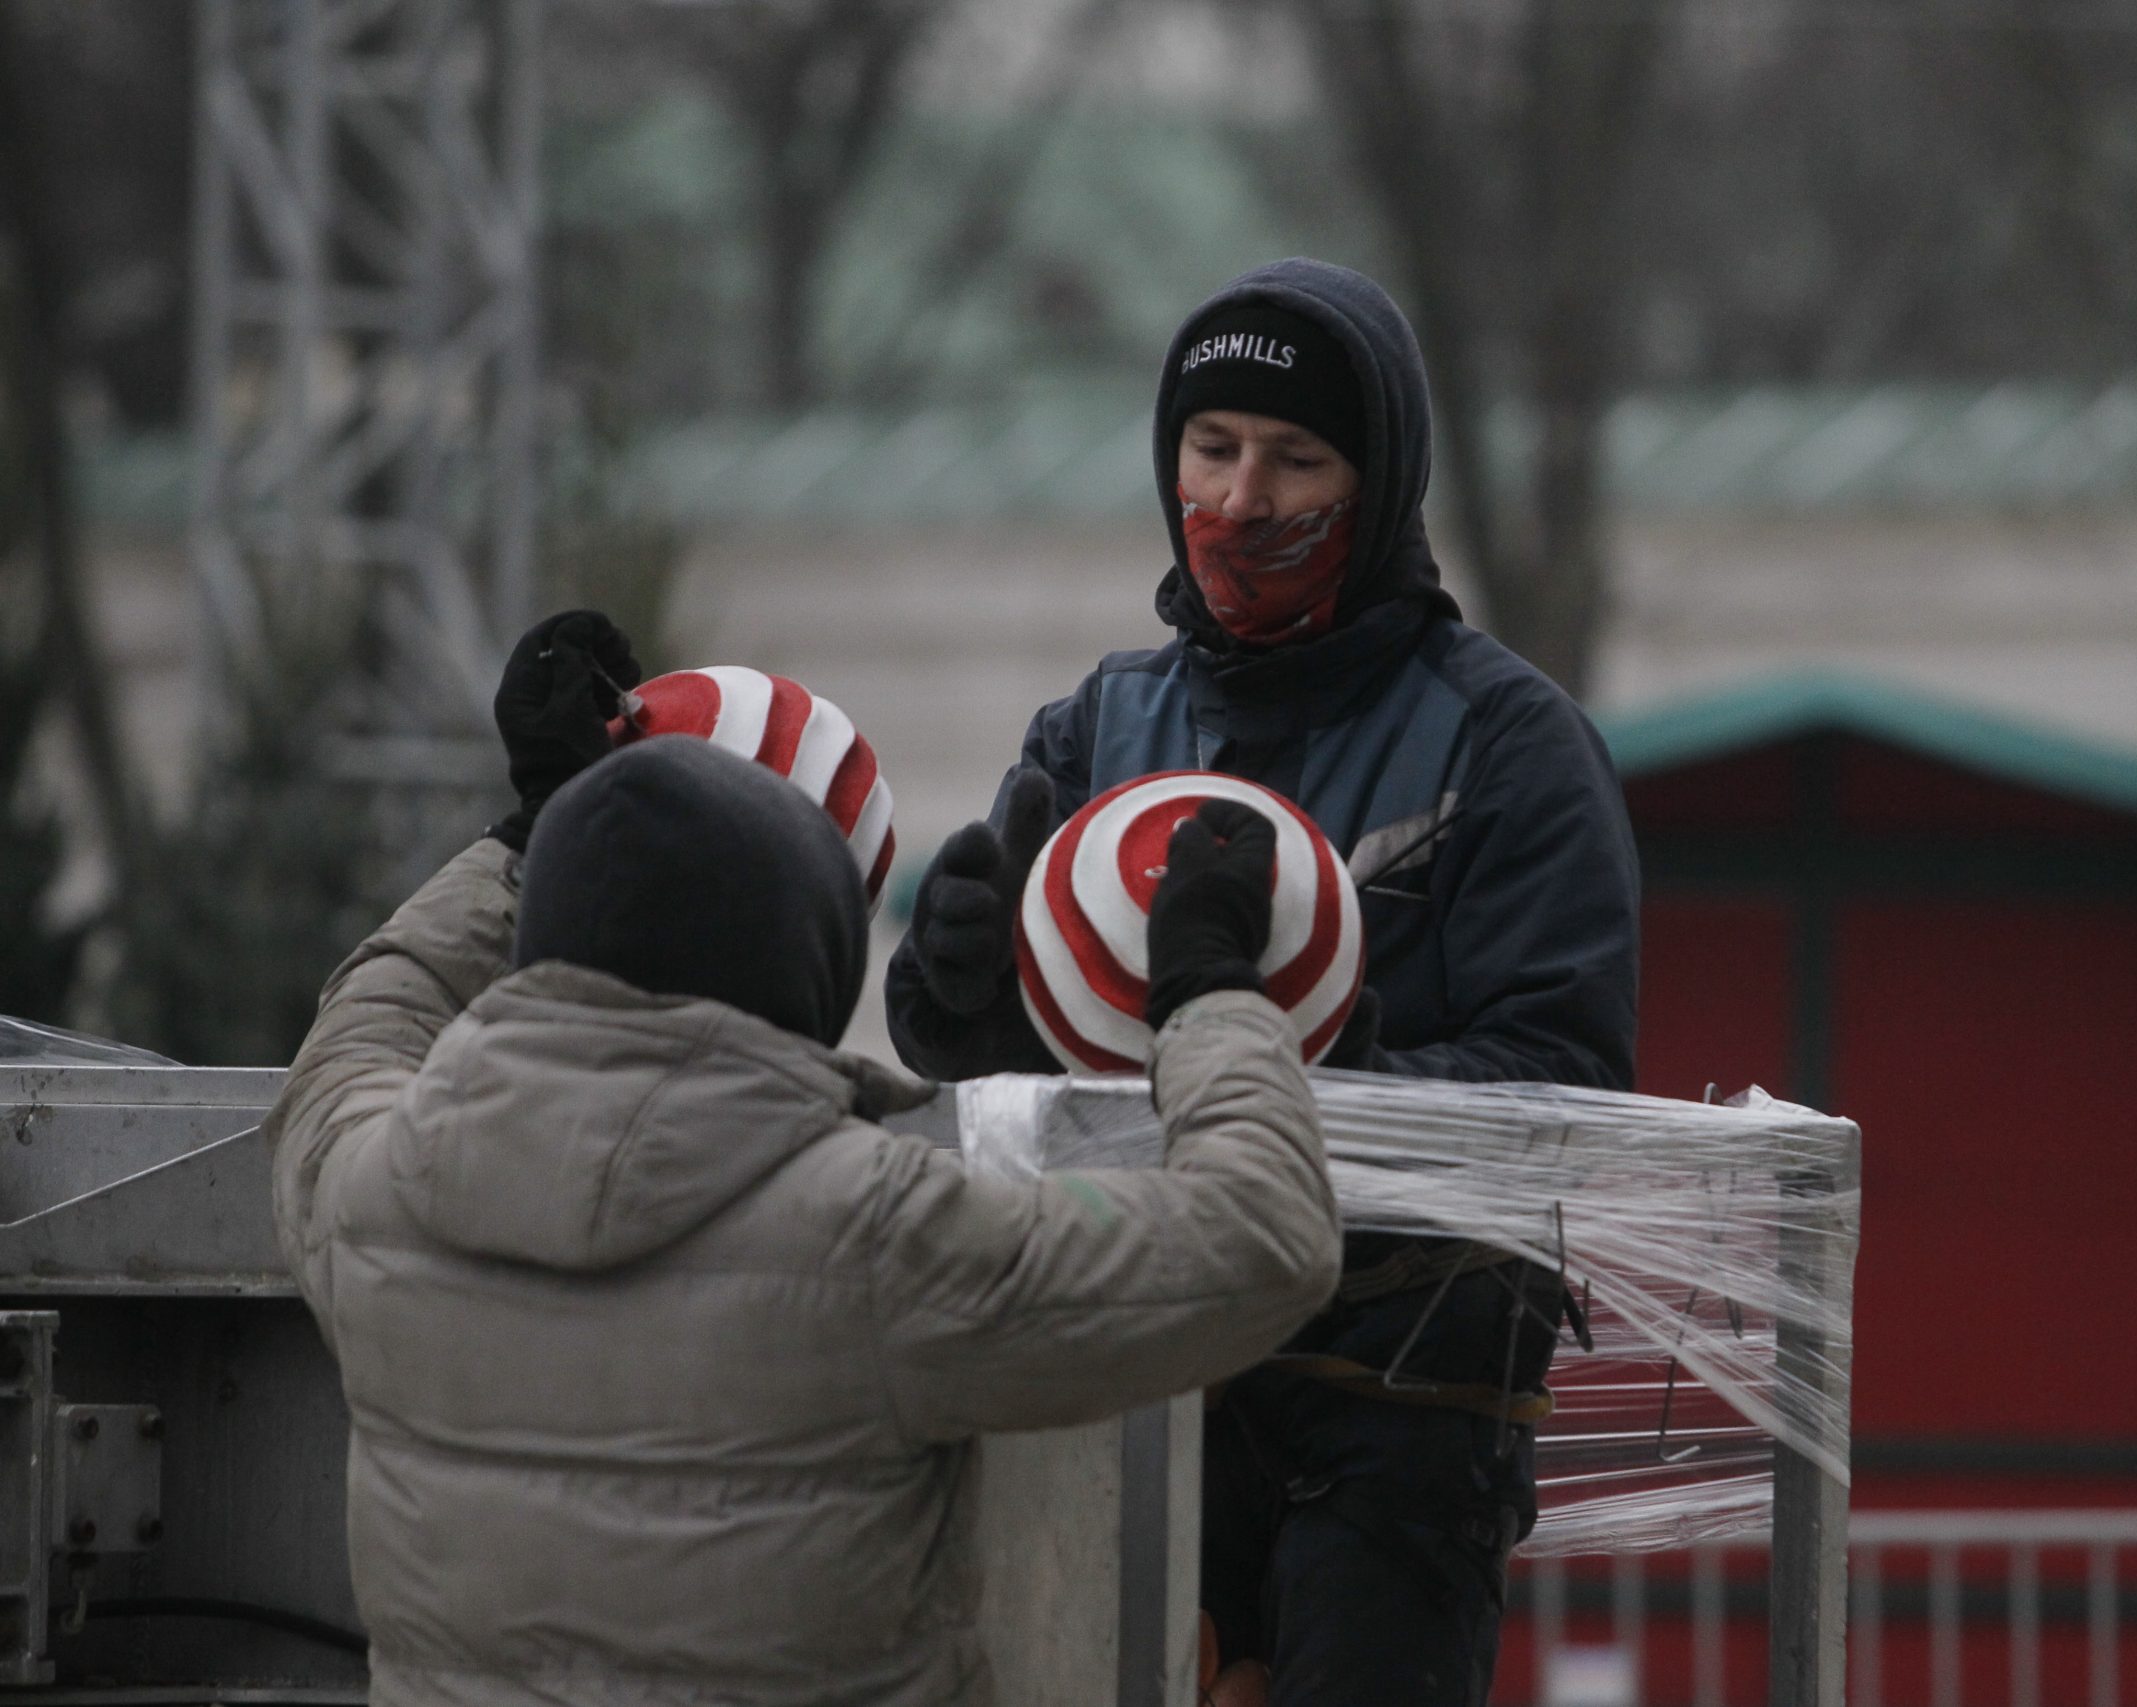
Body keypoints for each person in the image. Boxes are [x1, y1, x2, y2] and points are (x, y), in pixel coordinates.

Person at [264, 611, 1342, 1707]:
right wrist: (1206, 987)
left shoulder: (374, 1199)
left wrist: (533, 838)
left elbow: (369, 1017)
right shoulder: (877, 1239)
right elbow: (1262, 1241)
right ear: (806, 983)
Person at [885, 261, 1641, 1705]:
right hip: (1127, 1381)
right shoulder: (1100, 721)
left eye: (1299, 459)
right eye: (1212, 447)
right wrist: (962, 1001)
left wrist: (1302, 1050)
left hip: (1397, 1411)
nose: (1243, 500)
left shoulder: (1510, 745)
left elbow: (1567, 1090)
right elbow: (1021, 1085)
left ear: (1386, 481)